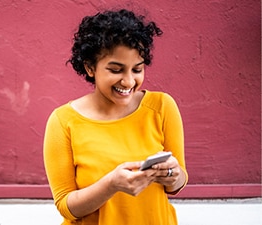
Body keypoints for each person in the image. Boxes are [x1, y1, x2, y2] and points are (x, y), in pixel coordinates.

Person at [43, 8, 188, 225]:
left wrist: (174, 175)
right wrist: (111, 184)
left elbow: (177, 184)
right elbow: (66, 206)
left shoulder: (161, 107)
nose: (129, 82)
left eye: (137, 70)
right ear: (90, 68)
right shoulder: (64, 121)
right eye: (116, 70)